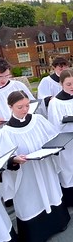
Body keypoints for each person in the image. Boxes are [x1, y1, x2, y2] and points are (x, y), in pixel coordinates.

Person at [0, 91, 70, 242]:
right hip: (26, 174)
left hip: (45, 167)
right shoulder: (6, 132)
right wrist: (14, 160)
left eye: (27, 105)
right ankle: (37, 234)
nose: (25, 110)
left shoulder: (38, 120)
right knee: (30, 200)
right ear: (10, 107)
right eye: (20, 107)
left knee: (51, 192)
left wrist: (54, 147)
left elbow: (54, 136)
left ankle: (59, 223)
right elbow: (4, 160)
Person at [48, 68, 73, 207]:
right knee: (69, 169)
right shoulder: (55, 103)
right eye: (68, 84)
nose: (72, 87)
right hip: (67, 143)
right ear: (61, 84)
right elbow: (54, 126)